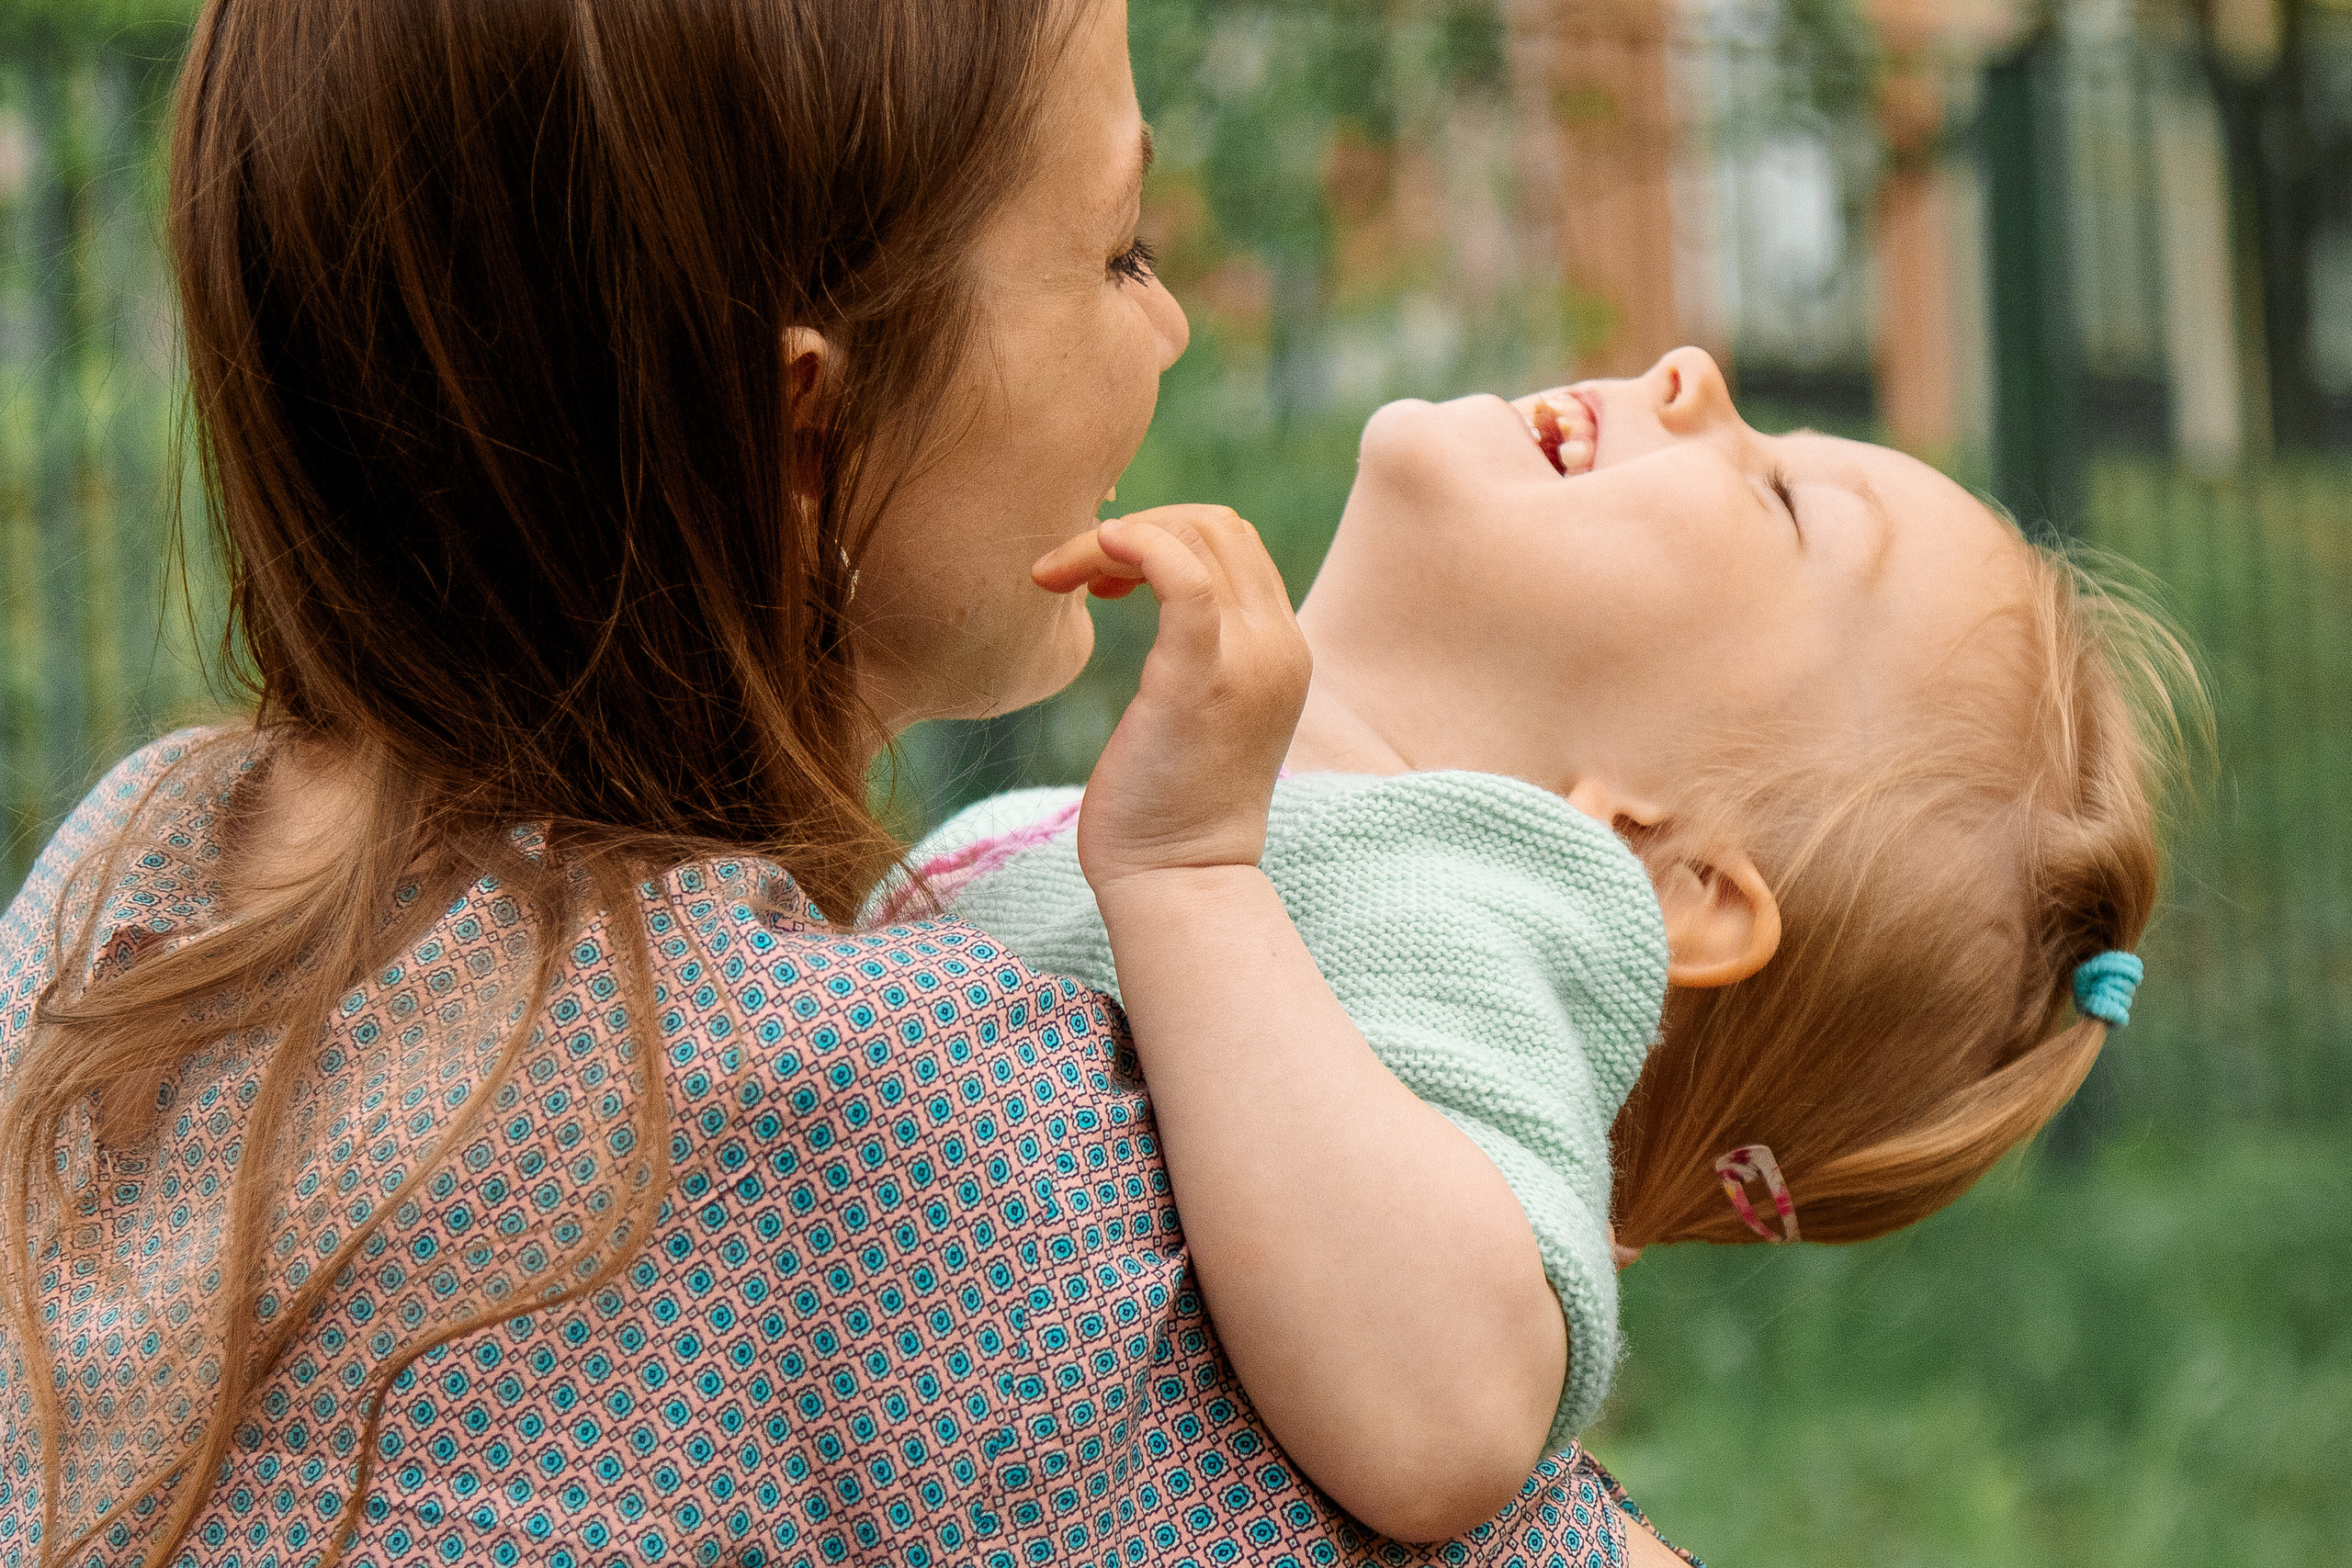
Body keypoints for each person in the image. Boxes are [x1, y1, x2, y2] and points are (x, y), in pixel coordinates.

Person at [0, 0, 1692, 1563]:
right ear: (805, 431)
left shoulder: (123, 880)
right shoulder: (867, 1116)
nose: (1170, 319)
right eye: (1120, 249)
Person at [910, 346, 2198, 1540]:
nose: (1695, 372)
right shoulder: (1201, 834)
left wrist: (1187, 878)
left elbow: (1447, 1413)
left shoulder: (1469, 927)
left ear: (1679, 878)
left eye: (1787, 504)